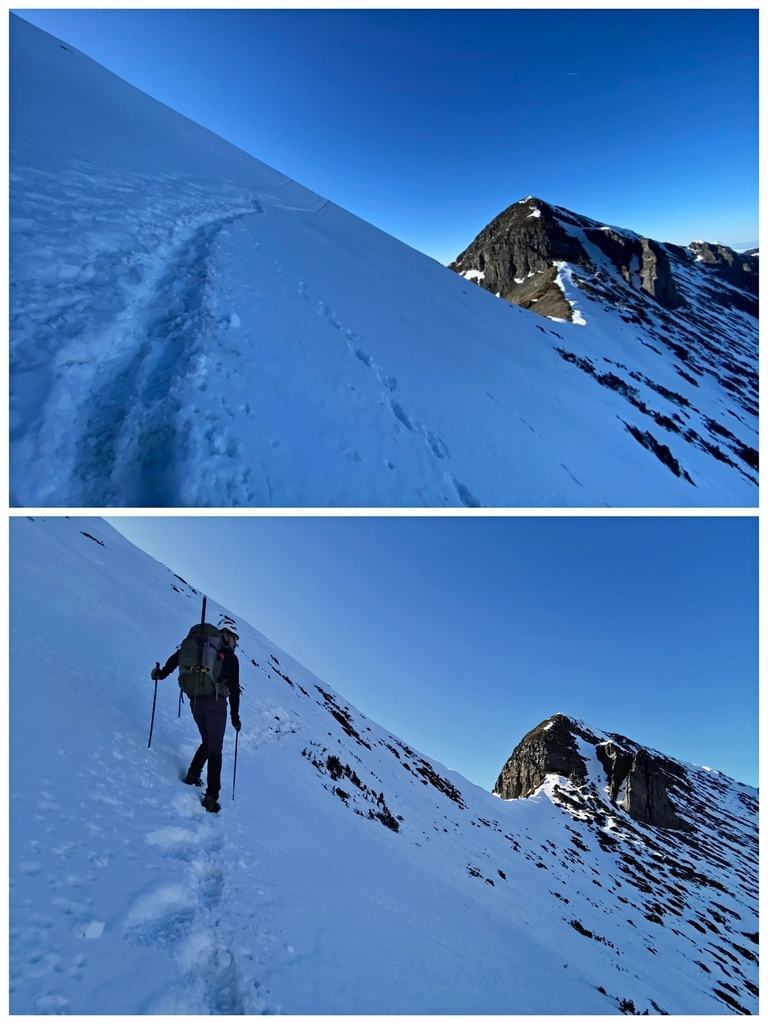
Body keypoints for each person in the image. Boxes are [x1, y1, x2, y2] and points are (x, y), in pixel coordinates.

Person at [152, 617, 242, 813]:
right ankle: (211, 797)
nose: (235, 643)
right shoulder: (230, 657)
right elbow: (234, 690)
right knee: (215, 748)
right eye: (234, 637)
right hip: (216, 703)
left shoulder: (201, 648)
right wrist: (235, 718)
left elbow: (177, 658)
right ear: (226, 634)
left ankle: (193, 774)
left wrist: (161, 674)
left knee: (208, 741)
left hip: (195, 701)